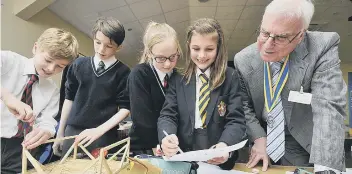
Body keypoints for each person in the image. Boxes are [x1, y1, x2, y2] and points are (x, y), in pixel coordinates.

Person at [234, 0, 346, 173]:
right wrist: (258, 137)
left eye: (280, 37)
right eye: (264, 32)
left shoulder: (322, 47)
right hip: (262, 147)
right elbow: (245, 105)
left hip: (306, 145)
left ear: (300, 35)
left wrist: (325, 168)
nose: (268, 45)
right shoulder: (243, 59)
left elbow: (328, 107)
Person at [158, 18, 246, 170]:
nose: (202, 55)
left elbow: (236, 120)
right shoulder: (178, 79)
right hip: (183, 155)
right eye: (196, 49)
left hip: (217, 154)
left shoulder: (230, 77)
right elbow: (168, 115)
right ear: (188, 47)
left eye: (209, 49)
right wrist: (167, 137)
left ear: (218, 48)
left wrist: (225, 146)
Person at [1, 28, 79, 173]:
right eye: (48, 60)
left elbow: (48, 120)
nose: (51, 69)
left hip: (19, 149)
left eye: (60, 66)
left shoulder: (52, 90)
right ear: (35, 48)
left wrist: (46, 130)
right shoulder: (8, 61)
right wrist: (7, 96)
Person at [53, 17, 131, 156]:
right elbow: (69, 99)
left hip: (103, 135)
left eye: (109, 46)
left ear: (119, 47)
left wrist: (99, 130)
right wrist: (60, 132)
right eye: (98, 42)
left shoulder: (123, 73)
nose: (101, 49)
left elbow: (125, 108)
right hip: (72, 133)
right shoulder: (78, 65)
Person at [127, 21, 182, 155]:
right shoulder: (139, 75)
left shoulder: (179, 79)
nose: (168, 64)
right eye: (161, 58)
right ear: (149, 53)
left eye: (173, 57)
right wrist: (159, 147)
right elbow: (142, 121)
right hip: (144, 148)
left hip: (173, 148)